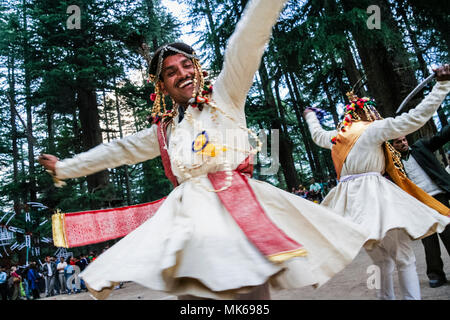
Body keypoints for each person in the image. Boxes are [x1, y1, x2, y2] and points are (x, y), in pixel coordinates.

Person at [38, 0, 369, 300]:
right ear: (162, 86)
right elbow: (117, 151)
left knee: (249, 296)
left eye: (186, 65)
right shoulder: (165, 132)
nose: (182, 74)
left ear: (197, 67)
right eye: (171, 72)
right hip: (188, 223)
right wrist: (64, 168)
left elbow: (249, 36)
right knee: (195, 301)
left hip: (239, 212)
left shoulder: (225, 95)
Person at [303, 65, 450, 300]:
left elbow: (315, 134)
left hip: (349, 204)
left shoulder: (336, 137)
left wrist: (310, 115)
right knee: (404, 257)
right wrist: (442, 86)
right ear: (368, 113)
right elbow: (415, 119)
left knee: (382, 261)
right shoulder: (373, 130)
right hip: (375, 196)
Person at [392, 125, 450, 288]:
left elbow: (440, 137)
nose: (403, 143)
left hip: (439, 198)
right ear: (393, 145)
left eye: (404, 139)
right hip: (418, 205)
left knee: (449, 234)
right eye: (398, 142)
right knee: (429, 241)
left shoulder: (421, 146)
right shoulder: (393, 164)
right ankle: (436, 275)